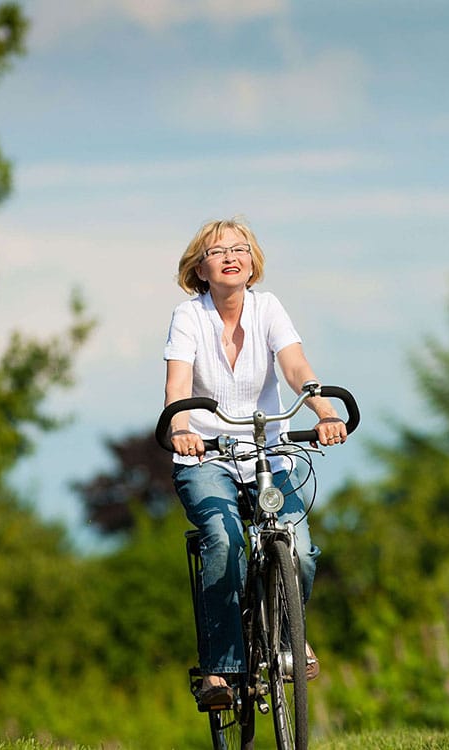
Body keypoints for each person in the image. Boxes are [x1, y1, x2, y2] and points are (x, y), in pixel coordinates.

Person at [163, 217, 347, 707]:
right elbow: (178, 387)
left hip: (271, 455)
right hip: (209, 457)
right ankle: (221, 670)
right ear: (199, 269)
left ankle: (287, 636)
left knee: (301, 549)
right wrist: (181, 429)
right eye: (217, 250)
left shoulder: (268, 309)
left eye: (240, 248)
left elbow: (295, 368)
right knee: (222, 541)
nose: (231, 256)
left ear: (252, 262)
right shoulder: (188, 317)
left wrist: (325, 411)